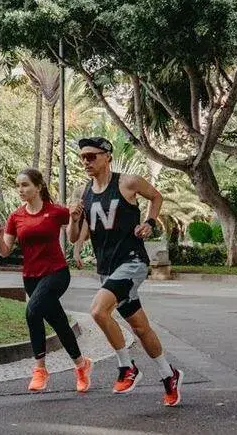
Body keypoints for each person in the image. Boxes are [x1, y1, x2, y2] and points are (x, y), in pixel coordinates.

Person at [69, 136, 183, 407]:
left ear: (107, 156)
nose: (86, 161)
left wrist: (150, 223)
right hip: (107, 269)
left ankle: (127, 367)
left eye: (92, 156)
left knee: (98, 311)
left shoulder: (127, 182)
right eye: (83, 157)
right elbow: (76, 236)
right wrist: (73, 220)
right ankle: (170, 375)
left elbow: (156, 196)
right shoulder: (83, 192)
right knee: (140, 327)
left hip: (132, 262)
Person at [0, 168, 93, 393]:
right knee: (58, 322)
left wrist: (75, 220)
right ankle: (81, 365)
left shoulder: (56, 211)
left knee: (32, 311)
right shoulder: (15, 216)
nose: (21, 189)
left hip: (56, 273)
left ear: (38, 187)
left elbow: (73, 236)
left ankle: (40, 369)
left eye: (25, 185)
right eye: (18, 185)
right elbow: (5, 251)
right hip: (31, 278)